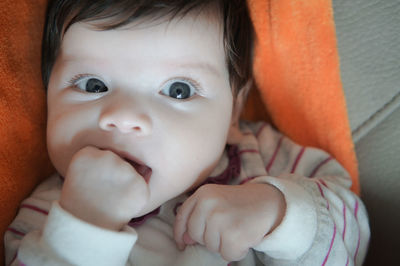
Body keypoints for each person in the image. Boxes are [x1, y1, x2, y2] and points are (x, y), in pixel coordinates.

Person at [4, 0, 370, 265]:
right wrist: (83, 227)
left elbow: (352, 235)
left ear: (233, 111)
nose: (123, 117)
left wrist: (275, 212)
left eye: (178, 90)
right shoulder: (50, 217)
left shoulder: (263, 158)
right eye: (93, 84)